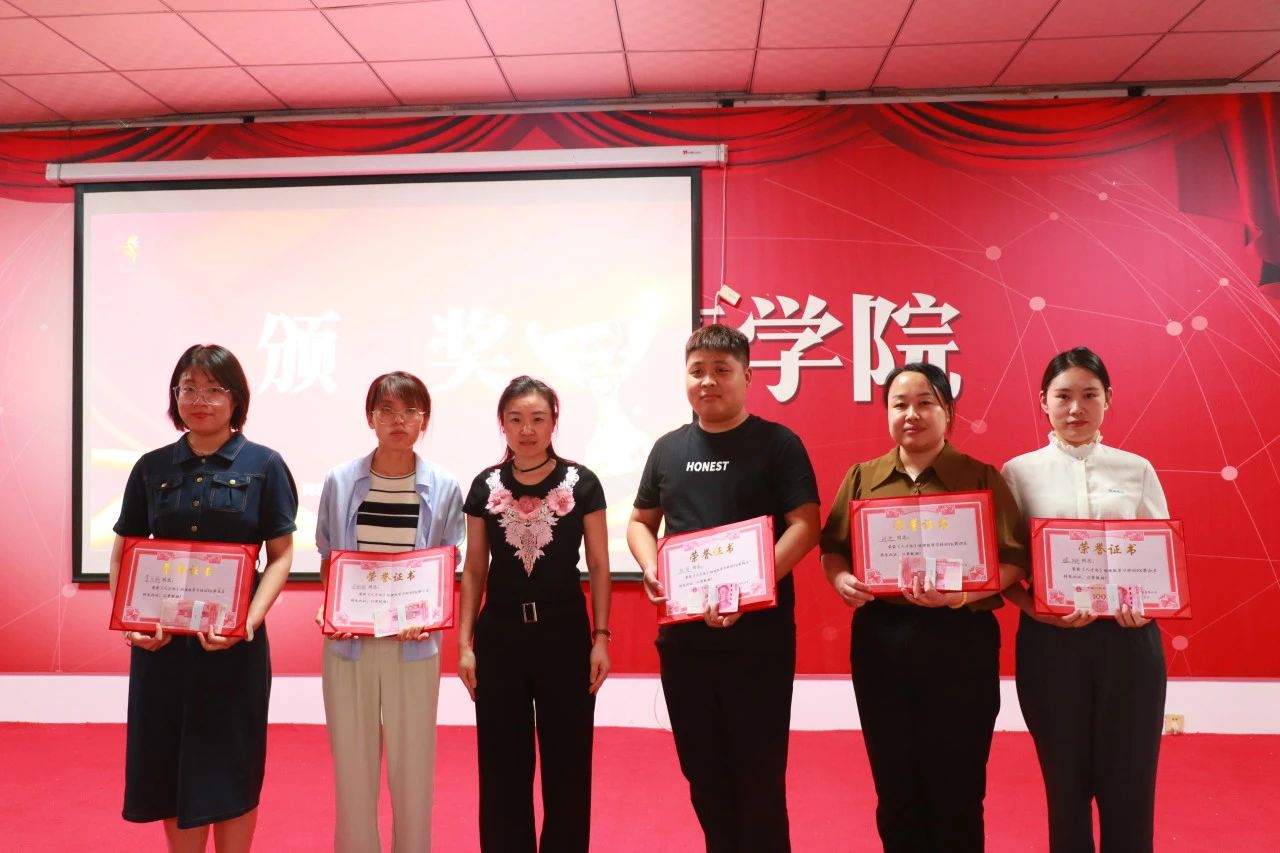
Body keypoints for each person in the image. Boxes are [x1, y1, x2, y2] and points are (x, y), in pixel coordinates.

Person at [819, 361, 1027, 853]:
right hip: (882, 639)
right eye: (900, 405)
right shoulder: (862, 477)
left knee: (958, 780)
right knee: (894, 779)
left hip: (959, 640)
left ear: (948, 411)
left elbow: (1015, 559)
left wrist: (962, 594)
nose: (911, 414)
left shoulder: (980, 477)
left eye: (925, 403)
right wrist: (841, 579)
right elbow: (834, 547)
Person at [627, 324, 820, 853]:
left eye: (721, 370)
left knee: (759, 776)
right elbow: (641, 522)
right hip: (684, 642)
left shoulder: (778, 444)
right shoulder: (668, 449)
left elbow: (805, 526)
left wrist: (750, 586)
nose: (707, 381)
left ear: (747, 376)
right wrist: (651, 567)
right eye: (697, 371)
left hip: (758, 641)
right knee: (703, 772)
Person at [109, 344, 297, 853]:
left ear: (236, 399)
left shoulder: (265, 464)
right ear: (175, 396)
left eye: (214, 389)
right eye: (188, 388)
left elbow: (280, 556)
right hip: (163, 646)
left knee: (233, 764)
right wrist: (131, 622)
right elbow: (126, 551)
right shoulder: (151, 466)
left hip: (233, 647)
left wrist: (247, 623)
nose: (199, 399)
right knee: (170, 764)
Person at [1001, 347, 1169, 853]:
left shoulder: (1136, 469)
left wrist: (1148, 604)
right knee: (1065, 782)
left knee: (1131, 782)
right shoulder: (1018, 472)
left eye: (1089, 395)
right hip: (1052, 646)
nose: (1076, 408)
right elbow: (1005, 566)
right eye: (1063, 396)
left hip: (1129, 642)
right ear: (1043, 402)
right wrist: (1036, 610)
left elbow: (1160, 555)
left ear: (1108, 399)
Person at [456, 375, 611, 852]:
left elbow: (600, 565)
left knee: (569, 762)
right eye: (516, 419)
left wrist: (601, 638)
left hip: (565, 634)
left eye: (538, 419)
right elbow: (474, 569)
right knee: (502, 763)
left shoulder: (582, 483)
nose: (527, 429)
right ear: (502, 424)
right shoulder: (485, 485)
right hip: (500, 636)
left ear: (553, 423)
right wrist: (464, 644)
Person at [314, 371, 464, 853]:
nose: (399, 421)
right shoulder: (341, 480)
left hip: (414, 643)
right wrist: (333, 606)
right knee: (351, 766)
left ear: (424, 420)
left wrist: (430, 615)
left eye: (410, 411)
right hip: (349, 642)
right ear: (370, 418)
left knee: (413, 765)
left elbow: (446, 562)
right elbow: (329, 558)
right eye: (387, 411)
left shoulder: (444, 485)